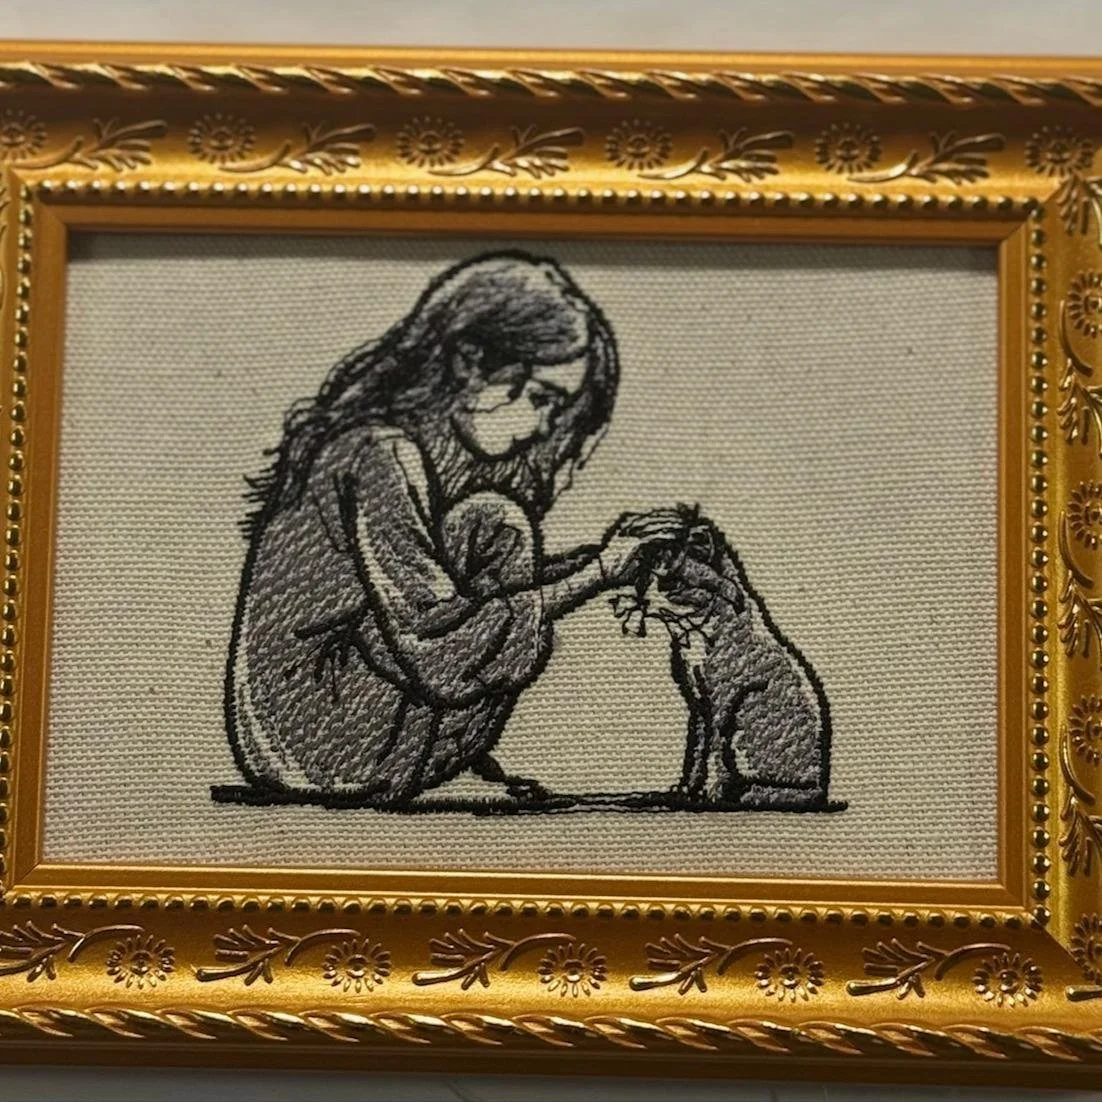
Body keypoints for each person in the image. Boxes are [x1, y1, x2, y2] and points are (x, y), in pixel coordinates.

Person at [221, 251, 680, 808]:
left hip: (299, 733)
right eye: (541, 398)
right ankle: (426, 766)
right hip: (320, 738)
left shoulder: (391, 451)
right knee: (498, 526)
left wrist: (605, 562)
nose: (543, 428)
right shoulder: (377, 453)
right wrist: (599, 572)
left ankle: (435, 762)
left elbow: (436, 605)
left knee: (486, 525)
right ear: (469, 361)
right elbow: (433, 635)